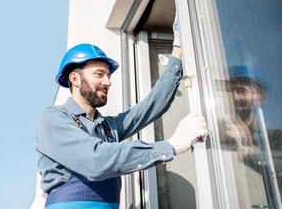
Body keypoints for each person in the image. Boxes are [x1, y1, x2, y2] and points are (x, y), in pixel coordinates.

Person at [35, 22, 209, 209]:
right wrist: (171, 146)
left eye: (109, 76)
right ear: (75, 79)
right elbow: (96, 160)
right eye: (99, 74)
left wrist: (178, 49)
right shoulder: (53, 119)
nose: (108, 82)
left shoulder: (108, 128)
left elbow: (152, 106)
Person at [219, 66, 282, 206]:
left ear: (260, 97)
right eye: (231, 91)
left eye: (242, 91)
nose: (235, 97)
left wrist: (251, 153)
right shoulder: (219, 131)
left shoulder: (275, 136)